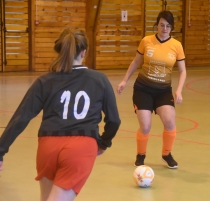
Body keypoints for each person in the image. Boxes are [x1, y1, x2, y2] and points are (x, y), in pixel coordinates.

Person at [0, 28, 121, 201]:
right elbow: (114, 121)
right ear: (84, 52)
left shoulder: (45, 81)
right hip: (81, 146)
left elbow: (21, 117)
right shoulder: (99, 79)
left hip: (48, 145)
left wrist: (0, 150)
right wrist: (103, 143)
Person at [117, 10, 186, 169]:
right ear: (157, 25)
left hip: (163, 91)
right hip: (143, 89)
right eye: (161, 25)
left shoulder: (176, 46)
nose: (164, 29)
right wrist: (124, 81)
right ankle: (141, 155)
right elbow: (135, 62)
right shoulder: (146, 41)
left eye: (168, 26)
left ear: (172, 28)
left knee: (169, 122)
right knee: (146, 126)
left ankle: (166, 154)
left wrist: (179, 90)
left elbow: (183, 71)